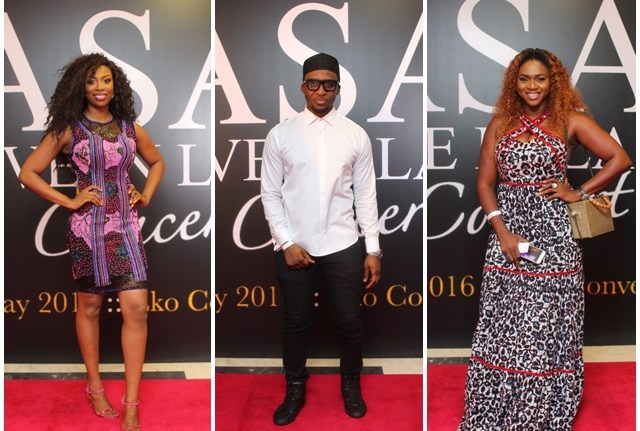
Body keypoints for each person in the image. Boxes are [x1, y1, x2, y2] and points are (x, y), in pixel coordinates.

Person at [458, 48, 632, 430]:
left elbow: (620, 158)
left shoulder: (570, 120)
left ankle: (538, 414)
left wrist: (578, 191)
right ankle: (496, 410)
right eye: (524, 79)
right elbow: (485, 183)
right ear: (514, 83)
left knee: (543, 327)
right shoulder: (500, 123)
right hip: (508, 235)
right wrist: (503, 232)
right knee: (504, 326)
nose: (532, 86)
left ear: (553, 82)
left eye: (540, 78)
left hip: (554, 241)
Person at [19, 53, 164, 431]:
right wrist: (69, 200)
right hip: (88, 230)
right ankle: (95, 387)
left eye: (106, 80)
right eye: (91, 81)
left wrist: (146, 193)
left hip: (127, 227)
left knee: (137, 308)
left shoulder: (129, 127)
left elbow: (157, 161)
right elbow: (27, 172)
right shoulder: (69, 129)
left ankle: (132, 402)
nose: (100, 87)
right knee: (90, 307)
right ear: (80, 86)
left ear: (116, 86)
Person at [260, 52, 382, 426]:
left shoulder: (355, 135)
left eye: (329, 84)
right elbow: (270, 194)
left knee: (349, 321)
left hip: (343, 244)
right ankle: (295, 388)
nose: (321, 90)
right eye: (313, 83)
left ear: (338, 89)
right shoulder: (280, 135)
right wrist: (286, 242)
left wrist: (372, 248)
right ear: (303, 87)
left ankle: (351, 384)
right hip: (295, 246)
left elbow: (365, 195)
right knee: (295, 323)